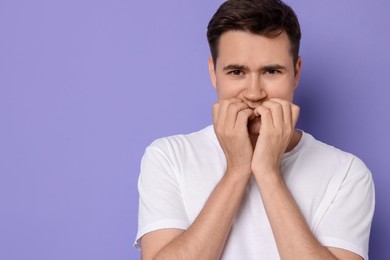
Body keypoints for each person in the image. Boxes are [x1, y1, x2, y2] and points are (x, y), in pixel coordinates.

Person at [134, 0, 375, 259]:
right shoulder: (168, 157)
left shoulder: (347, 173)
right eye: (236, 72)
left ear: (296, 73)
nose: (254, 93)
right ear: (214, 74)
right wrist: (237, 171)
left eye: (271, 71)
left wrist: (268, 173)